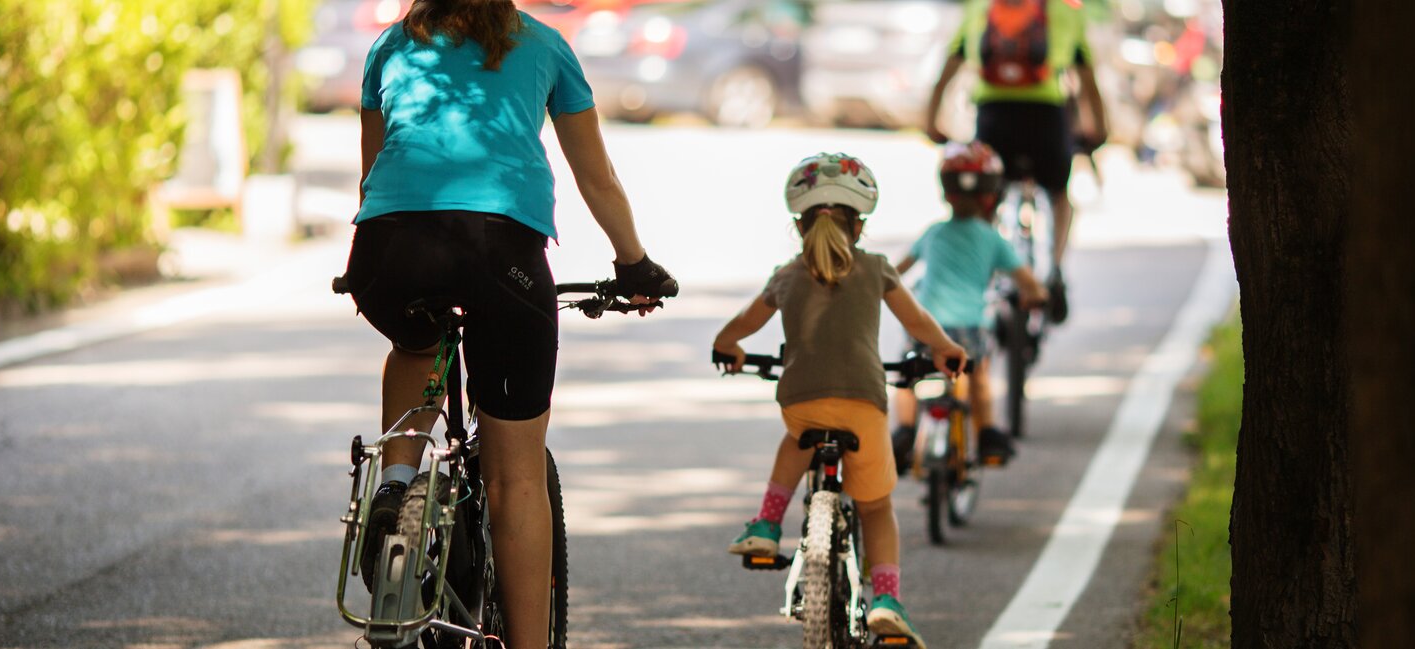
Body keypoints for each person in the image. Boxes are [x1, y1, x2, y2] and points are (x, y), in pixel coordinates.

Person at [342, 1, 674, 646]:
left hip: (388, 249)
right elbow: (596, 178)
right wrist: (634, 264)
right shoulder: (544, 45)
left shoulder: (389, 46)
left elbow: (373, 178)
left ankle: (397, 482)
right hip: (500, 254)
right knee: (516, 478)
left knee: (418, 338)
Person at [712, 153, 967, 648]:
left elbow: (743, 324)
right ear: (861, 225)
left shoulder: (787, 275)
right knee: (875, 507)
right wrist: (946, 350)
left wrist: (729, 347)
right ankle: (888, 600)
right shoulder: (876, 269)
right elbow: (916, 323)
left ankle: (767, 523)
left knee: (796, 440)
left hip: (801, 401)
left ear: (798, 224)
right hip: (864, 405)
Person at [922, 0, 1108, 323]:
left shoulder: (979, 8)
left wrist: (931, 120)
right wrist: (1100, 129)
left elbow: (949, 69)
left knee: (986, 201)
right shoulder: (1065, 10)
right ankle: (1054, 271)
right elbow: (1087, 76)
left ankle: (983, 272)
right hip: (1046, 117)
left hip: (994, 115)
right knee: (1059, 195)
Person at [890, 141, 1047, 468]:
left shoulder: (933, 233)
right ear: (992, 195)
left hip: (925, 323)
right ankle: (987, 432)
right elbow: (1028, 283)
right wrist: (1037, 295)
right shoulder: (992, 239)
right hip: (970, 326)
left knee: (908, 374)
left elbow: (894, 273)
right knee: (977, 373)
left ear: (946, 192)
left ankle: (904, 431)